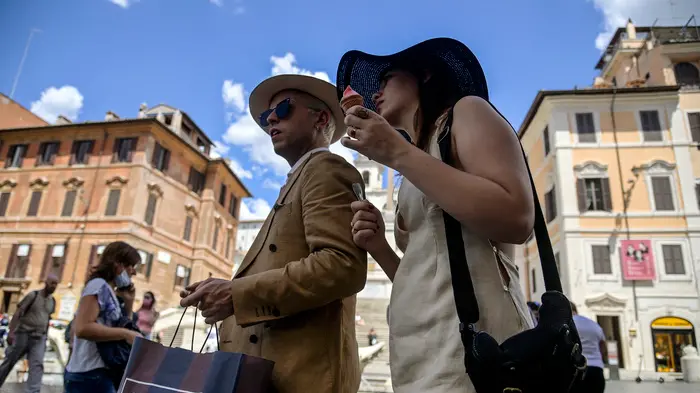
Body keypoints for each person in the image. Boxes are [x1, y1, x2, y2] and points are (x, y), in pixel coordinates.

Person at [338, 38, 535, 392]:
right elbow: (426, 279)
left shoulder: (467, 112)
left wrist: (398, 155)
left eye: (387, 79)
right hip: (420, 357)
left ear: (425, 74)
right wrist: (380, 246)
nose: (376, 94)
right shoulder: (416, 163)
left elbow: (517, 217)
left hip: (477, 352)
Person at [180, 74, 367, 393]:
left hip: (297, 378)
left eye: (283, 109)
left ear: (321, 118)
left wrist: (236, 294)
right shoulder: (302, 179)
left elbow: (342, 266)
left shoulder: (325, 170)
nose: (271, 121)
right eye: (267, 117)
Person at [64, 241, 142, 393]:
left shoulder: (109, 291)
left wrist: (128, 303)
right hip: (88, 373)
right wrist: (126, 334)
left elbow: (122, 325)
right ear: (118, 264)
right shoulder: (98, 285)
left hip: (99, 372)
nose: (134, 272)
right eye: (131, 266)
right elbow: (83, 328)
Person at [0, 274, 58, 393]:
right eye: (52, 283)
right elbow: (18, 313)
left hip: (39, 337)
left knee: (37, 365)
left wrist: (45, 336)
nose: (54, 286)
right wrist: (11, 332)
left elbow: (47, 319)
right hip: (23, 334)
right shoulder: (33, 295)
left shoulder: (52, 301)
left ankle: (33, 390)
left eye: (56, 284)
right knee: (10, 360)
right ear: (46, 282)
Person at [571, 302, 607, 393]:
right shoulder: (594, 324)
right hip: (596, 370)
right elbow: (603, 345)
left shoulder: (567, 323)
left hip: (575, 371)